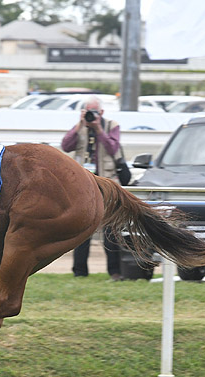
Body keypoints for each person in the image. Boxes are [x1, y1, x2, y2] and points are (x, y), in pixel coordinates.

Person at [61, 95, 123, 281]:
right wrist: (80, 125)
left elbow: (113, 149)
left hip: (107, 181)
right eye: (88, 112)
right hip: (83, 183)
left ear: (101, 112)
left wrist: (98, 129)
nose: (91, 116)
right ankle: (79, 272)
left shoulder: (111, 126)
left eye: (94, 112)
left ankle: (115, 272)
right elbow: (66, 145)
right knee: (82, 226)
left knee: (111, 229)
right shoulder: (80, 127)